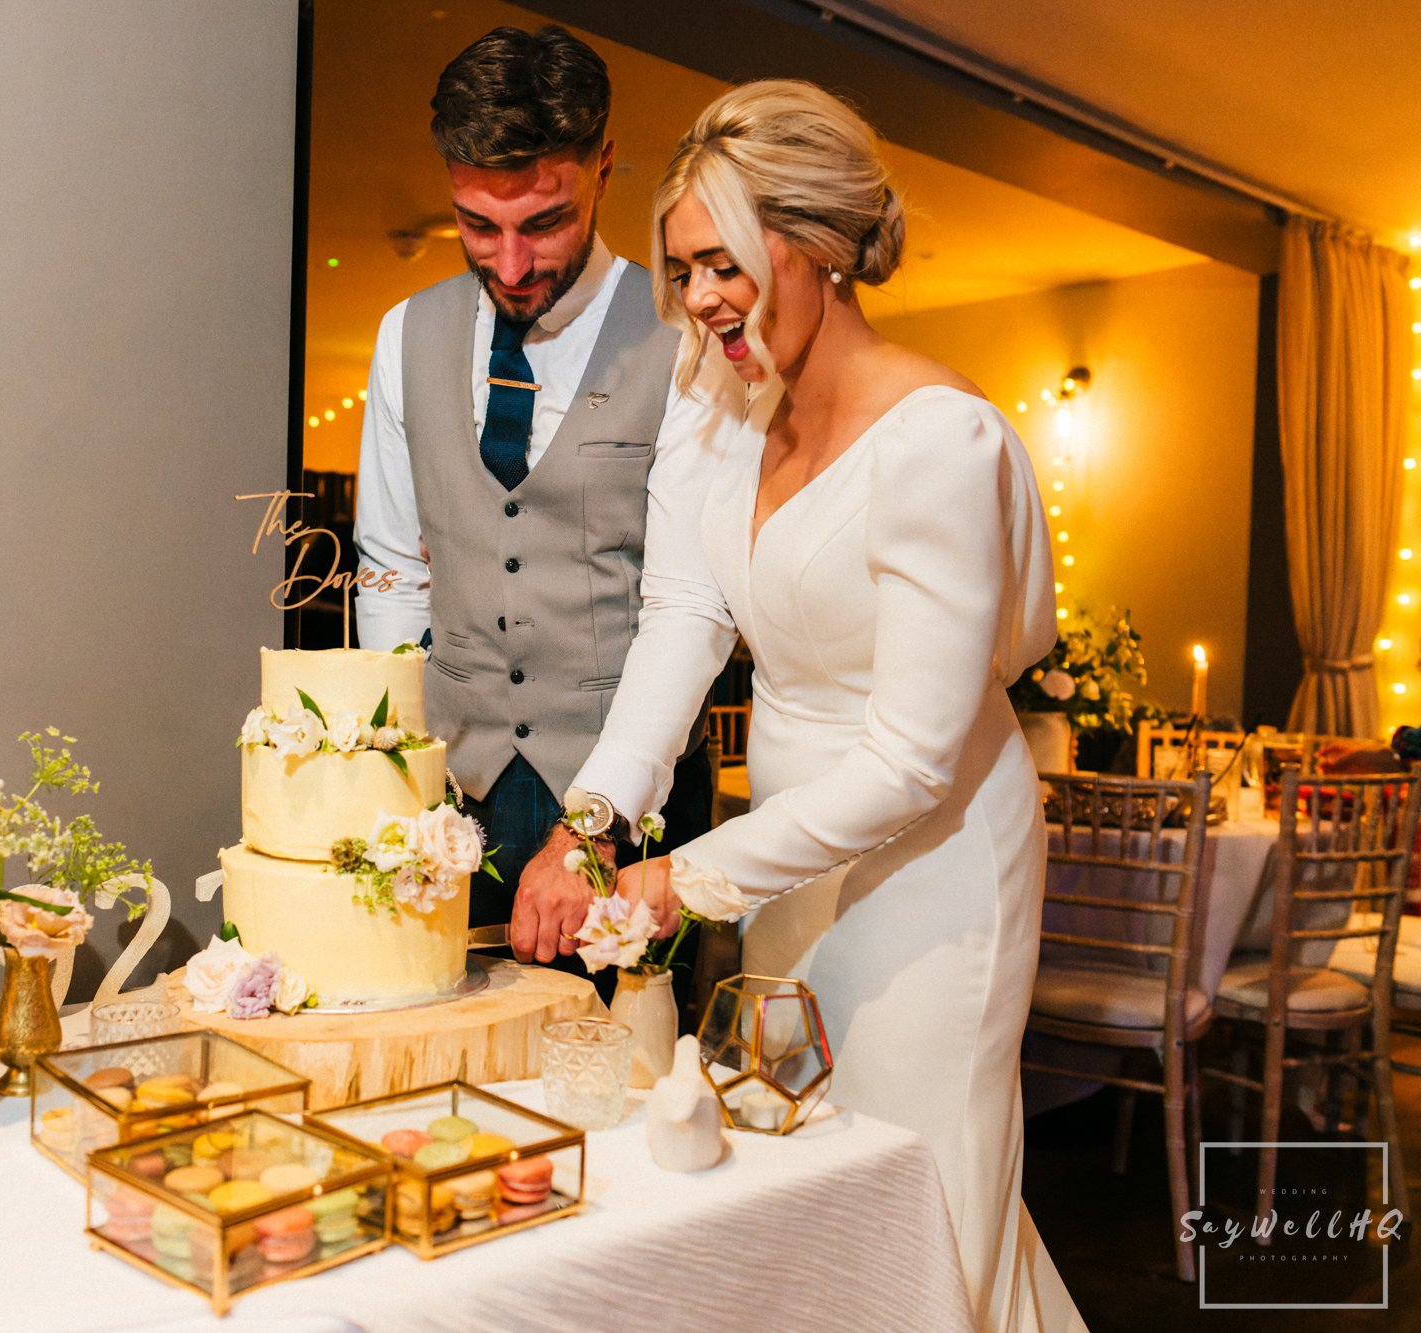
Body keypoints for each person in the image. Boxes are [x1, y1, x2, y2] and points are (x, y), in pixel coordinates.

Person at [583, 82, 1083, 1331]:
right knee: (797, 1168)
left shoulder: (937, 442)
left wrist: (682, 878)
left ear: (810, 249)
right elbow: (682, 616)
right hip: (788, 855)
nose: (697, 301)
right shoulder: (715, 406)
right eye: (682, 269)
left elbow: (915, 760)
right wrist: (602, 811)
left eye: (720, 264)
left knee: (914, 1177)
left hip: (935, 863)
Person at [353, 25, 742, 956]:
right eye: (478, 225)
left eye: (544, 222)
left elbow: (689, 604)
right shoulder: (403, 335)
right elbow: (394, 571)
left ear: (603, 169)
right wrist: (402, 775)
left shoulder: (684, 342)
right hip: (458, 792)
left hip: (633, 797)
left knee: (620, 1076)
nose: (512, 264)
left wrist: (596, 820)